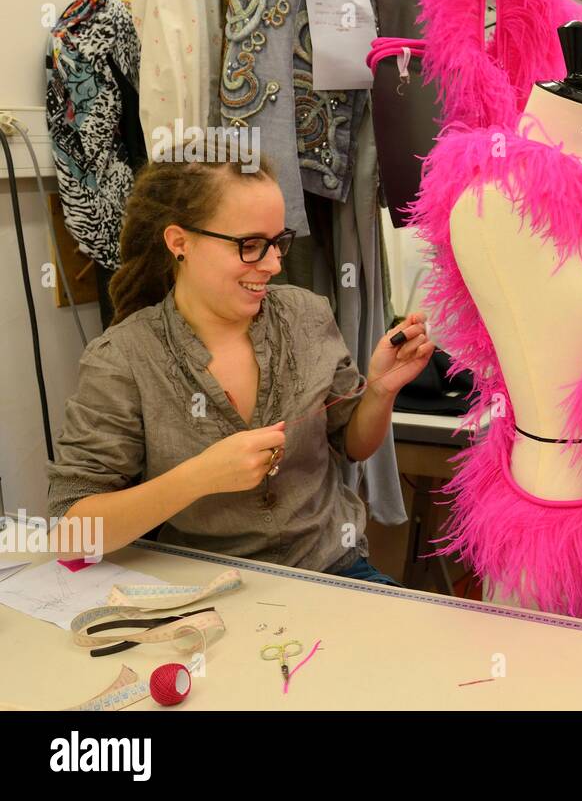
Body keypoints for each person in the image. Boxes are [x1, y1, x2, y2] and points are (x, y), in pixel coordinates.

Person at [47, 156, 435, 584]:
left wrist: (381, 389)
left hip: (334, 573)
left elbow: (354, 444)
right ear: (180, 242)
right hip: (204, 589)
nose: (273, 265)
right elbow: (71, 533)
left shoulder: (307, 316)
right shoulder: (124, 357)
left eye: (278, 242)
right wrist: (198, 477)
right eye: (250, 245)